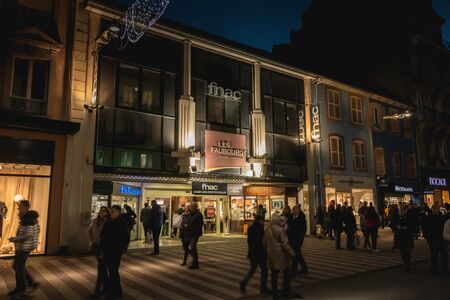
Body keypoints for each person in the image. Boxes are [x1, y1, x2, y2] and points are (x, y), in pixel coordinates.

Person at [8, 200, 40, 299]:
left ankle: (21, 290)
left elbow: (28, 235)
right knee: (17, 266)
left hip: (24, 247)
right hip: (24, 246)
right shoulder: (29, 218)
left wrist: (14, 239)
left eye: (20, 207)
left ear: (26, 207)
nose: (18, 209)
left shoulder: (28, 219)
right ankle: (30, 283)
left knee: (19, 267)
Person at [101, 205, 129, 299]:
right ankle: (113, 291)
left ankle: (116, 292)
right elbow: (103, 233)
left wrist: (122, 247)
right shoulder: (110, 221)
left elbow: (125, 237)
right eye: (111, 211)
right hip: (109, 249)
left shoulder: (121, 223)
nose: (111, 213)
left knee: (113, 271)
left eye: (113, 211)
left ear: (118, 212)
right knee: (112, 271)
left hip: (115, 250)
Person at [265, 214, 295, 300]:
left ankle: (275, 294)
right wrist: (292, 253)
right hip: (281, 255)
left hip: (271, 254)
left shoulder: (267, 229)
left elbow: (264, 242)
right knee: (286, 273)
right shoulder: (281, 230)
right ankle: (285, 291)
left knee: (274, 275)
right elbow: (285, 244)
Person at [240, 214, 269, 295]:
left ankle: (243, 283)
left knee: (252, 269)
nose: (264, 223)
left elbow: (249, 241)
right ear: (260, 221)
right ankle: (263, 288)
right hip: (260, 253)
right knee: (264, 270)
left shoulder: (251, 228)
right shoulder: (260, 229)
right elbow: (262, 242)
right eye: (263, 221)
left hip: (252, 252)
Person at [88, 206, 109, 298]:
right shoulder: (96, 221)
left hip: (103, 248)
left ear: (107, 212)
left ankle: (98, 290)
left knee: (101, 268)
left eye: (104, 211)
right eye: (101, 210)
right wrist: (92, 242)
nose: (101, 212)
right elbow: (89, 231)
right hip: (96, 247)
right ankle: (106, 288)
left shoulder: (108, 222)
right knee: (102, 269)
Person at [423, 203, 448, 276]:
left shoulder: (443, 217)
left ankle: (443, 269)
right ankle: (435, 268)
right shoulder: (428, 218)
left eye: (436, 208)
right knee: (434, 255)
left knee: (443, 255)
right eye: (433, 208)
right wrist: (428, 238)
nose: (434, 209)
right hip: (433, 240)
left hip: (442, 239)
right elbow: (426, 229)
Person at [288, 205, 308, 276]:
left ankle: (293, 272)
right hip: (291, 238)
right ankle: (304, 268)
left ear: (298, 210)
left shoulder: (302, 219)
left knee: (295, 255)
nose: (293, 211)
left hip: (297, 239)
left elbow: (302, 230)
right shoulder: (291, 217)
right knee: (298, 255)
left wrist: (300, 237)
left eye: (295, 209)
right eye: (293, 209)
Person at [184, 202, 204, 269]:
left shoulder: (198, 214)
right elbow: (188, 221)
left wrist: (193, 227)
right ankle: (194, 260)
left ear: (195, 207)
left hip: (195, 234)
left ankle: (195, 263)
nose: (190, 207)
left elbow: (200, 224)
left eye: (191, 206)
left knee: (193, 247)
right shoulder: (190, 214)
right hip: (189, 233)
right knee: (187, 247)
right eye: (190, 206)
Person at [395, 205, 414, 272]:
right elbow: (393, 224)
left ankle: (407, 263)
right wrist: (397, 227)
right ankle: (405, 262)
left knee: (407, 251)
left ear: (405, 210)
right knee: (402, 251)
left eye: (402, 210)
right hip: (400, 237)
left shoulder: (409, 217)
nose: (401, 211)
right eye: (400, 210)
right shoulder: (397, 217)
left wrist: (407, 227)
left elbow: (412, 225)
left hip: (407, 237)